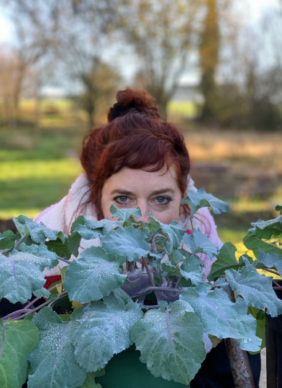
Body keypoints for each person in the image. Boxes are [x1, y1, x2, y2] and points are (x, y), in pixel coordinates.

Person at [33, 88, 257, 387]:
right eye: (123, 199)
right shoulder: (53, 242)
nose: (142, 218)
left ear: (182, 201)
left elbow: (229, 371)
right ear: (97, 197)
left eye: (161, 200)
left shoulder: (200, 240)